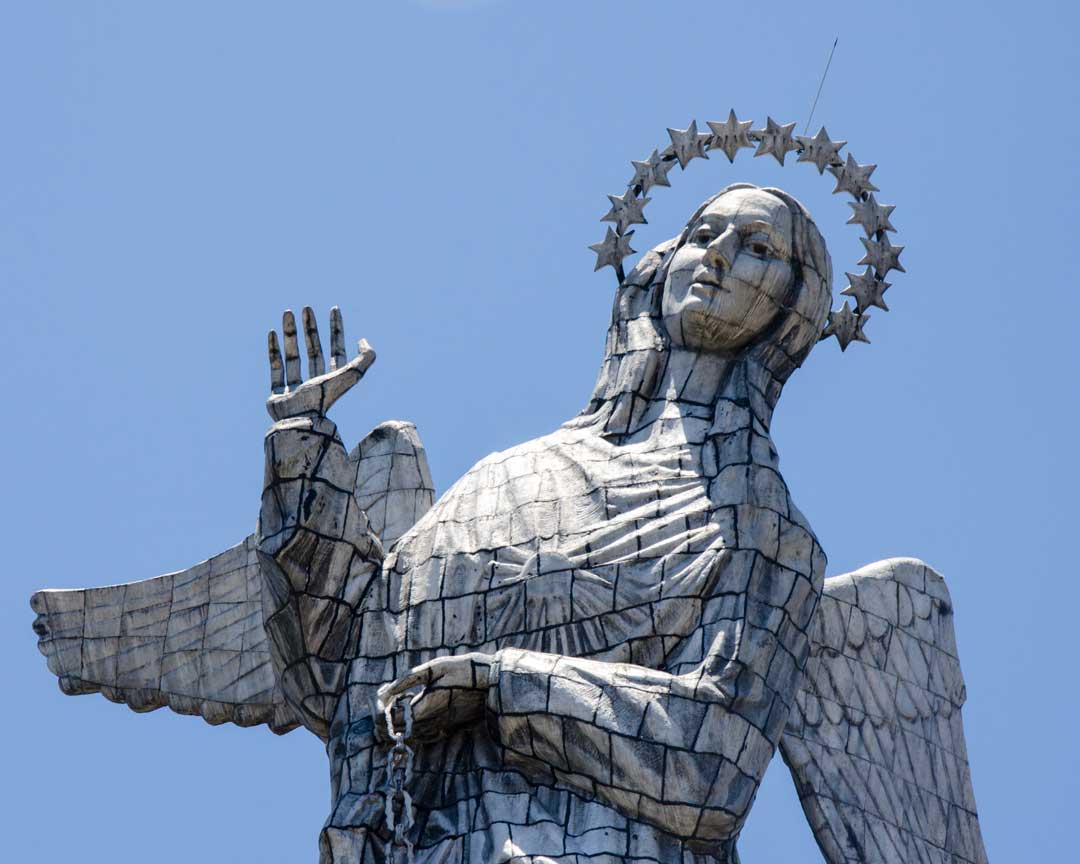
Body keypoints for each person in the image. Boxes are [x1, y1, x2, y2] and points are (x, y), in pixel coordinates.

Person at [251, 182, 830, 864]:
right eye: (703, 236)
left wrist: (500, 683)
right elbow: (349, 670)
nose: (719, 258)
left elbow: (713, 765)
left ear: (791, 310)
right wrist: (303, 451)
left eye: (756, 247)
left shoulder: (762, 527)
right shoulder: (509, 476)